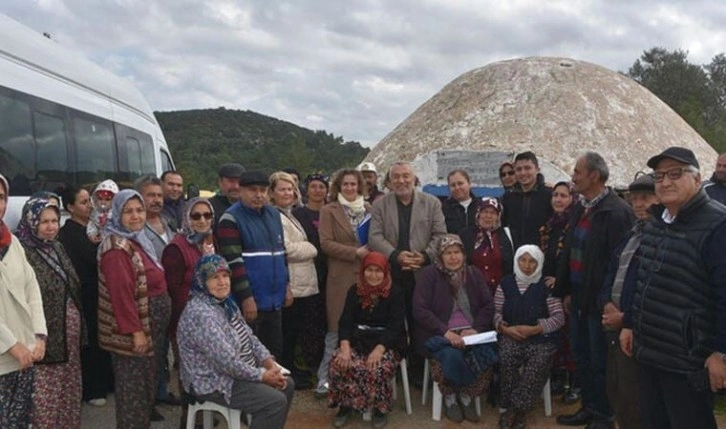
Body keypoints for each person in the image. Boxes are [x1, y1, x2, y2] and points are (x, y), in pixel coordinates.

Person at [625, 147, 726, 429]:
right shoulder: (656, 222)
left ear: (696, 179)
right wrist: (630, 323)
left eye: (675, 174)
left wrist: (722, 352)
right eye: (659, 176)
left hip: (688, 359)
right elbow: (643, 277)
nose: (665, 182)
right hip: (649, 351)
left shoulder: (718, 225)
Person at [554, 152, 634, 429]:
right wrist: (565, 290)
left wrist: (609, 301)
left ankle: (604, 416)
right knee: (582, 356)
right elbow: (569, 253)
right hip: (577, 297)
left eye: (577, 171)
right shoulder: (580, 206)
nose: (573, 176)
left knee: (601, 361)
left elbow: (619, 263)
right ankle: (589, 407)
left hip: (600, 302)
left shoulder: (618, 212)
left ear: (594, 176)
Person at [178, 254, 294, 429]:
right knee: (274, 402)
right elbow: (227, 363)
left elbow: (249, 337)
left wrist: (270, 364)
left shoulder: (226, 303)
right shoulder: (201, 313)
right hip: (212, 380)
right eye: (214, 278)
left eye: (225, 276)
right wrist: (261, 376)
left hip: (233, 371)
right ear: (202, 282)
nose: (222, 282)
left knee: (287, 384)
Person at [98, 189, 172, 428]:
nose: (136, 216)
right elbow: (121, 295)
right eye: (128, 211)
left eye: (139, 210)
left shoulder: (136, 239)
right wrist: (135, 331)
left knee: (144, 390)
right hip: (134, 333)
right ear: (117, 214)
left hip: (150, 324)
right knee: (133, 395)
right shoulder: (116, 248)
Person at [369, 161, 447, 384]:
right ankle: (394, 368)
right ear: (389, 181)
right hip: (392, 272)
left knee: (421, 322)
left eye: (406, 176)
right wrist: (396, 255)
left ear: (414, 179)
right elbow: (374, 237)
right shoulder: (380, 205)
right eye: (396, 177)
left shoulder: (431, 203)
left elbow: (440, 235)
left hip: (422, 274)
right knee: (394, 321)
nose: (401, 181)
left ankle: (419, 371)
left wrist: (423, 256)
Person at [413, 234, 497, 423]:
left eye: (457, 252)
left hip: (470, 333)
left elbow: (488, 305)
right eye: (448, 253)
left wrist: (475, 329)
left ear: (463, 254)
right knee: (452, 356)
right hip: (439, 334)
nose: (453, 257)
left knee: (486, 353)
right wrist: (445, 332)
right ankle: (450, 399)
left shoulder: (473, 273)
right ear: (440, 256)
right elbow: (420, 309)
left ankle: (466, 397)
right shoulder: (430, 275)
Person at [596, 174, 656, 429]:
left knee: (637, 400)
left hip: (640, 330)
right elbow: (611, 273)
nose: (639, 204)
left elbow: (653, 289)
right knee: (617, 391)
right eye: (635, 199)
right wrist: (606, 303)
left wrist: (626, 317)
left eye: (645, 198)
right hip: (616, 325)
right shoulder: (631, 235)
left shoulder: (662, 238)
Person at [17, 197, 84, 428]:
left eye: (55, 220)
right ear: (31, 221)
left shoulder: (56, 247)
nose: (51, 226)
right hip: (43, 342)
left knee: (68, 394)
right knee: (44, 401)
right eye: (44, 221)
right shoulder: (22, 251)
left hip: (68, 340)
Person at [216, 170, 291, 358]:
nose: (259, 195)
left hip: (275, 300)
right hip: (251, 302)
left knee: (275, 353)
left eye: (263, 190)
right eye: (252, 190)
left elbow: (282, 254)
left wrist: (287, 286)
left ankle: (277, 387)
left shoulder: (273, 214)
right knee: (250, 356)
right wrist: (246, 298)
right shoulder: (230, 219)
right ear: (240, 191)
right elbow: (233, 263)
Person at [329, 252, 406, 428]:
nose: (373, 275)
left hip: (387, 342)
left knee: (377, 367)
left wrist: (380, 349)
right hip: (358, 338)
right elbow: (345, 321)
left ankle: (380, 409)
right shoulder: (354, 290)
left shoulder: (395, 293)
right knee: (338, 362)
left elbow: (396, 327)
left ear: (385, 272)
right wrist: (345, 346)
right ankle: (345, 405)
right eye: (369, 270)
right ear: (363, 271)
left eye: (378, 271)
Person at [494, 245, 564, 429]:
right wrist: (504, 328)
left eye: (532, 261)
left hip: (541, 338)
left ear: (539, 262)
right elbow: (495, 312)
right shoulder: (506, 283)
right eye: (522, 260)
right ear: (516, 261)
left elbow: (558, 318)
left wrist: (535, 329)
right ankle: (516, 411)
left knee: (539, 360)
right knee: (507, 356)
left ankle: (514, 410)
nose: (526, 265)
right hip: (511, 334)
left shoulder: (546, 286)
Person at [161, 197, 216, 426]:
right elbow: (173, 292)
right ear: (186, 218)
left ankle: (208, 415)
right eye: (196, 216)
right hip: (186, 322)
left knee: (209, 371)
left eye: (207, 215)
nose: (202, 220)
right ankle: (192, 421)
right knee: (191, 375)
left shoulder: (208, 242)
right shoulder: (176, 248)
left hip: (210, 319)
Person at [58, 185, 114, 407]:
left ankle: (106, 381)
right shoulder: (68, 233)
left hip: (99, 292)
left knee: (102, 339)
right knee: (89, 342)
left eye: (89, 201)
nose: (89, 205)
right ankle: (92, 388)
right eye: (83, 202)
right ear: (70, 207)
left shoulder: (93, 227)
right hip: (85, 294)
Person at [0, 174, 47, 428]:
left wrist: (39, 335)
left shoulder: (12, 242)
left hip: (24, 357)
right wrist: (12, 345)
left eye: (0, 197)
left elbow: (32, 288)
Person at [318, 169, 371, 396]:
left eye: (353, 184)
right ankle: (326, 378)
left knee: (361, 326)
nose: (350, 188)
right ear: (339, 187)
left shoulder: (370, 209)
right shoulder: (329, 211)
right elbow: (326, 243)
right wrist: (355, 252)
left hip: (367, 277)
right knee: (336, 329)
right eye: (345, 184)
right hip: (340, 277)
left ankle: (359, 377)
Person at [270, 171, 319, 390]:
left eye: (290, 189)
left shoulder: (289, 213)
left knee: (296, 330)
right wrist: (310, 248)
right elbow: (285, 249)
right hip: (293, 282)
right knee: (288, 332)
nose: (287, 193)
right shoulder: (275, 216)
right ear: (272, 192)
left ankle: (293, 370)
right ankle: (287, 373)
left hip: (303, 281)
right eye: (282, 189)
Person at [135, 175, 177, 410]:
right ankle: (147, 402)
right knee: (149, 353)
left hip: (170, 295)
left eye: (159, 195)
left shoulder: (168, 221)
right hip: (149, 296)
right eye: (150, 195)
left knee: (163, 350)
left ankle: (160, 391)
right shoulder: (137, 227)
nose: (156, 200)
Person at [539, 181, 577, 401]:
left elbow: (574, 260)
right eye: (555, 195)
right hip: (549, 288)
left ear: (573, 198)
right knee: (555, 336)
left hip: (567, 288)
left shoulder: (574, 225)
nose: (559, 200)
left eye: (564, 195)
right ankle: (559, 378)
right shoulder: (551, 225)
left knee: (572, 337)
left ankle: (575, 383)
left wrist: (561, 281)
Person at [292, 173, 329, 377]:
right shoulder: (299, 215)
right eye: (313, 186)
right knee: (309, 319)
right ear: (307, 189)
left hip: (330, 271)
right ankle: (309, 362)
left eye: (321, 186)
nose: (317, 190)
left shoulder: (333, 212)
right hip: (307, 271)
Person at [458, 197, 514, 295]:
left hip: (500, 292)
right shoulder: (465, 235)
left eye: (493, 213)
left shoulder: (508, 235)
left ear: (498, 216)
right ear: (478, 213)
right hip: (472, 292)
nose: (488, 216)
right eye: (485, 212)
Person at [501, 151, 553, 248]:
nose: (523, 173)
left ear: (537, 169)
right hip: (516, 253)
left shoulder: (549, 195)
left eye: (527, 168)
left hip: (542, 252)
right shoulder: (508, 198)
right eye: (519, 169)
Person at [442, 169, 482, 234]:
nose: (457, 188)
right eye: (453, 185)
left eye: (460, 183)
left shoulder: (481, 206)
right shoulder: (443, 209)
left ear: (469, 184)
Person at [86, 179, 119, 243]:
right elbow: (92, 224)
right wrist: (92, 234)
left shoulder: (117, 213)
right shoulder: (95, 213)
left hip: (115, 242)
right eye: (100, 199)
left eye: (107, 199)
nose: (103, 202)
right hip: (101, 243)